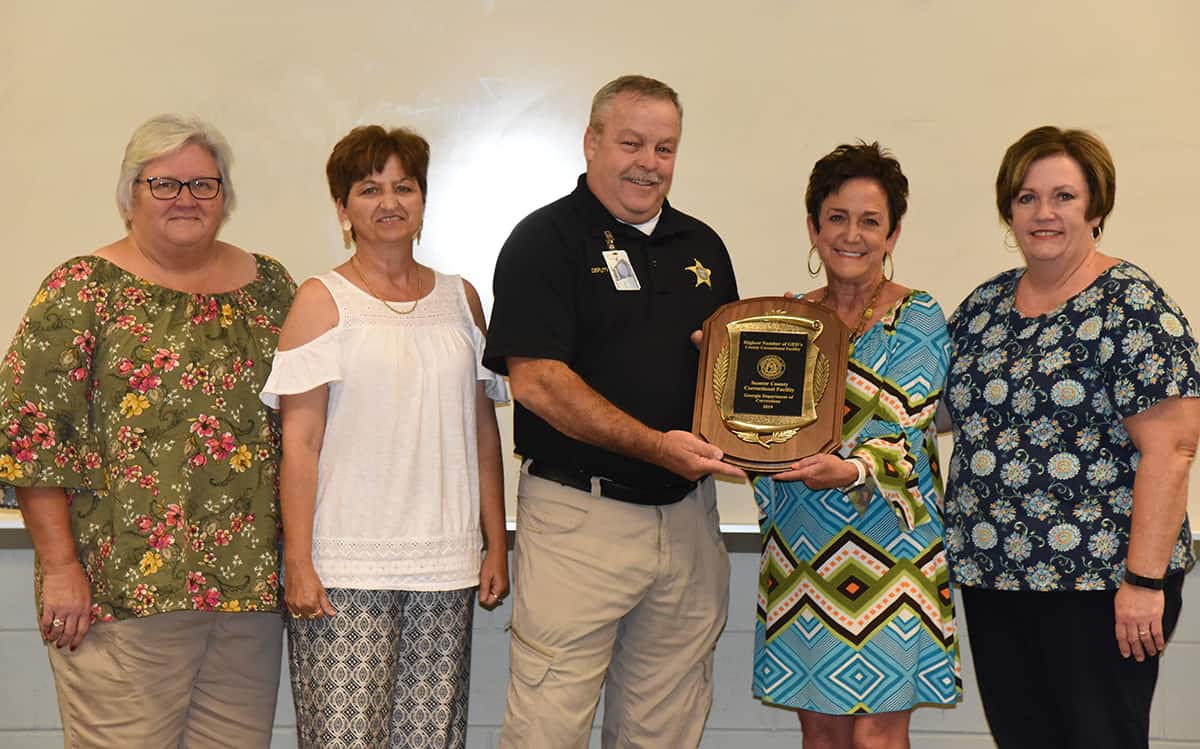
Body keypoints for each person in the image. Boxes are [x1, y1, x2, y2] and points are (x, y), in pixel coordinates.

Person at [0, 114, 295, 747]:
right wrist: (59, 569)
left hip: (247, 598)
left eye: (203, 185)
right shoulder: (82, 288)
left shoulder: (271, 288)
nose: (186, 199)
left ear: (225, 197)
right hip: (120, 596)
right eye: (165, 184)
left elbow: (306, 425)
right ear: (131, 193)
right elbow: (31, 437)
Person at [483, 74, 744, 748]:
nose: (648, 163)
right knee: (548, 728)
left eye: (665, 148)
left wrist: (753, 431)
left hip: (689, 521)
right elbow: (538, 381)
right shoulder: (545, 241)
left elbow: (733, 381)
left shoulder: (704, 247)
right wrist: (657, 445)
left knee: (665, 727)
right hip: (581, 521)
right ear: (592, 142)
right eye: (631, 142)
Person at [943, 126, 1200, 749]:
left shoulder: (1131, 304)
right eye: (1027, 197)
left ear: (1096, 208)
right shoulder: (985, 306)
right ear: (1009, 209)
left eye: (1063, 196)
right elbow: (924, 409)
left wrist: (1142, 584)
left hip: (1102, 584)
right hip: (994, 577)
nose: (1044, 213)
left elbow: (1174, 446)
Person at [260, 124, 509, 749]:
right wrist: (298, 561)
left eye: (404, 187)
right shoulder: (322, 300)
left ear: (423, 200)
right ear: (343, 209)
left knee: (431, 741)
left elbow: (483, 435)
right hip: (343, 568)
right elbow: (301, 444)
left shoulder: (461, 301)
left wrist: (495, 544)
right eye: (369, 189)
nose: (389, 202)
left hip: (445, 564)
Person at [753, 142, 960, 748]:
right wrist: (721, 382)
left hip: (893, 550)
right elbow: (762, 435)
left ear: (893, 233)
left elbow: (904, 422)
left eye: (871, 221)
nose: (852, 234)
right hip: (801, 548)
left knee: (876, 737)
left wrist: (849, 470)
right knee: (821, 737)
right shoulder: (780, 323)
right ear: (814, 228)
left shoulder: (919, 317)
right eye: (837, 217)